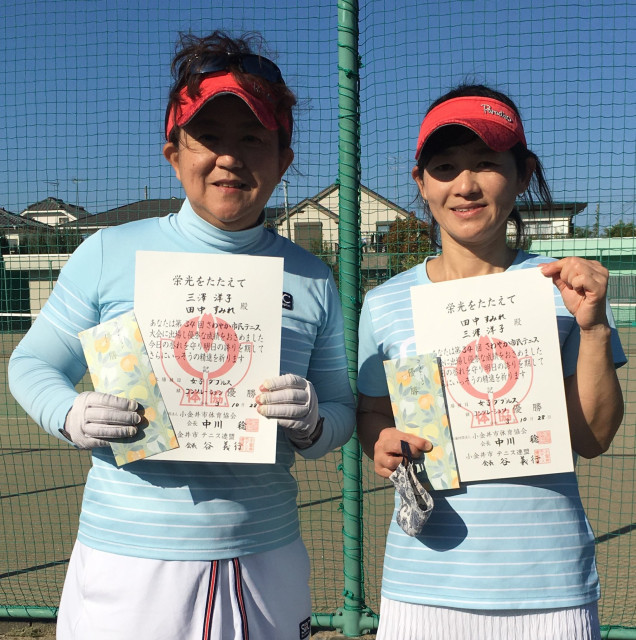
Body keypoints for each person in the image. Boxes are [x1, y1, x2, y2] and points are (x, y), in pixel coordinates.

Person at [9, 31, 355, 640]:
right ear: (174, 153)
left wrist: (313, 424)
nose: (230, 158)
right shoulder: (108, 251)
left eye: (253, 139)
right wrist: (70, 413)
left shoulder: (310, 275)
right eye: (209, 137)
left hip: (265, 551)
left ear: (283, 159)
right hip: (129, 556)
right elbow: (32, 363)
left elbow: (341, 408)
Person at [356, 84, 625, 640]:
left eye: (486, 163)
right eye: (445, 167)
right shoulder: (385, 303)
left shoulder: (564, 290)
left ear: (523, 174)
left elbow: (593, 437)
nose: (465, 185)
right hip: (422, 581)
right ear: (421, 183)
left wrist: (594, 328)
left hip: (548, 584)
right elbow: (374, 412)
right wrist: (381, 441)